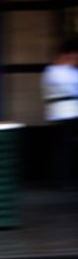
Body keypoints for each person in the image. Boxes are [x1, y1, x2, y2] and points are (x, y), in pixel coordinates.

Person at [41, 38, 78, 190]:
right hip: (64, 113)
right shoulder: (55, 72)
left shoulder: (65, 71)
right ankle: (61, 180)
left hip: (69, 112)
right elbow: (71, 90)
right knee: (63, 149)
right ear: (67, 55)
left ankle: (66, 178)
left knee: (66, 148)